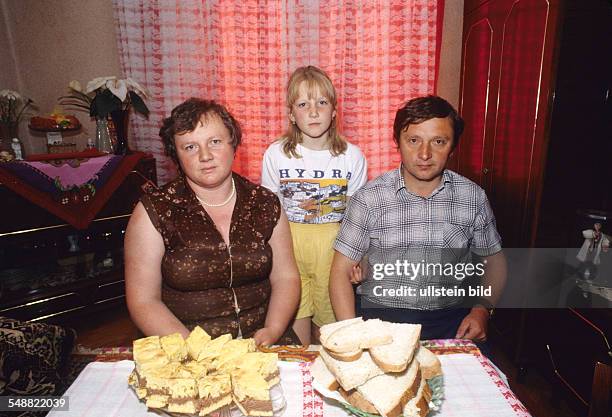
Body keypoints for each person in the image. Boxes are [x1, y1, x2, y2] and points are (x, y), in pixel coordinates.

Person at [329, 95, 507, 342]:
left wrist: (481, 311)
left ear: (453, 146)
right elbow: (340, 272)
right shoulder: (368, 198)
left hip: (451, 323)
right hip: (380, 322)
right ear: (397, 142)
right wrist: (353, 333)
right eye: (413, 140)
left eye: (438, 141)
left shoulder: (473, 197)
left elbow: (495, 263)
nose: (425, 153)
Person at [124, 98, 301, 346]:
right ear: (176, 154)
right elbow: (144, 300)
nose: (205, 156)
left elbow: (286, 277)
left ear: (233, 143)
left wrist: (273, 329)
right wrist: (196, 350)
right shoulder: (154, 210)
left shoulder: (265, 203)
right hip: (184, 347)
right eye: (190, 147)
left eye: (215, 142)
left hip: (265, 340)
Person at [261, 66, 367, 344]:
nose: (313, 111)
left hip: (333, 250)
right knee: (298, 330)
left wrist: (358, 257)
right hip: (290, 247)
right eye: (303, 104)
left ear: (334, 110)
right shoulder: (276, 154)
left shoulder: (351, 156)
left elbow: (358, 217)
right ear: (291, 114)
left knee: (330, 330)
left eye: (322, 102)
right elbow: (270, 210)